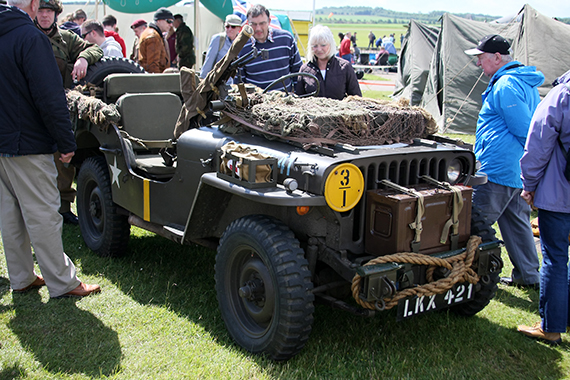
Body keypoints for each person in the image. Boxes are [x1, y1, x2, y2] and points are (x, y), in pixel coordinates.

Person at [1, 0, 100, 298]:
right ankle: (62, 281)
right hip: (27, 142)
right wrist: (66, 141)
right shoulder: (30, 38)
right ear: (32, 4)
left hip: (6, 138)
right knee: (44, 213)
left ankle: (21, 276)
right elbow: (49, 96)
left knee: (10, 214)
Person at [464, 34, 543, 288]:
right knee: (518, 223)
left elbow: (524, 128)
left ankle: (466, 278)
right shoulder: (522, 81)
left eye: (481, 59)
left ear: (497, 58)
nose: (479, 65)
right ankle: (529, 276)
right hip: (514, 170)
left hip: (497, 171)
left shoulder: (505, 84)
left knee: (474, 223)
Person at [35, 0, 103, 225]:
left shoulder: (66, 39)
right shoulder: (27, 35)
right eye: (41, 11)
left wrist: (83, 58)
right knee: (33, 164)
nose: (45, 16)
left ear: (56, 14)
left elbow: (95, 48)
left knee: (63, 160)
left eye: (49, 11)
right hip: (31, 109)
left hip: (59, 108)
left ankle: (63, 208)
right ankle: (36, 211)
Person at [517, 70, 570, 345]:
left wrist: (529, 184)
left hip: (560, 195)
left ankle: (551, 327)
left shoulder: (562, 95)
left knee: (555, 259)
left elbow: (538, 143)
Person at [237, 4, 302, 92]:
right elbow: (239, 82)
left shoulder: (286, 39)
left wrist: (298, 97)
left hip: (284, 101)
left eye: (262, 23)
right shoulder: (242, 47)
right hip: (256, 103)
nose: (258, 28)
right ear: (248, 24)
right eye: (254, 24)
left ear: (269, 21)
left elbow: (297, 72)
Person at [295, 25, 361, 100]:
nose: (319, 49)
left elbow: (357, 98)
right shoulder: (305, 70)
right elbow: (299, 100)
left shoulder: (345, 67)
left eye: (323, 45)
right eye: (315, 46)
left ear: (330, 44)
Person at [200, 14, 242, 81]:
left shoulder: (242, 42)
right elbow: (209, 61)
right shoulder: (219, 39)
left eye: (233, 26)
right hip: (219, 84)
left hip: (236, 84)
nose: (230, 29)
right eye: (227, 26)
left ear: (239, 28)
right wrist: (202, 79)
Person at [138, 7, 171, 73]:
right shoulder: (153, 37)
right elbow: (153, 66)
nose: (170, 25)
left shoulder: (153, 34)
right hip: (153, 79)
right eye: (168, 21)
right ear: (158, 20)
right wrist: (158, 82)